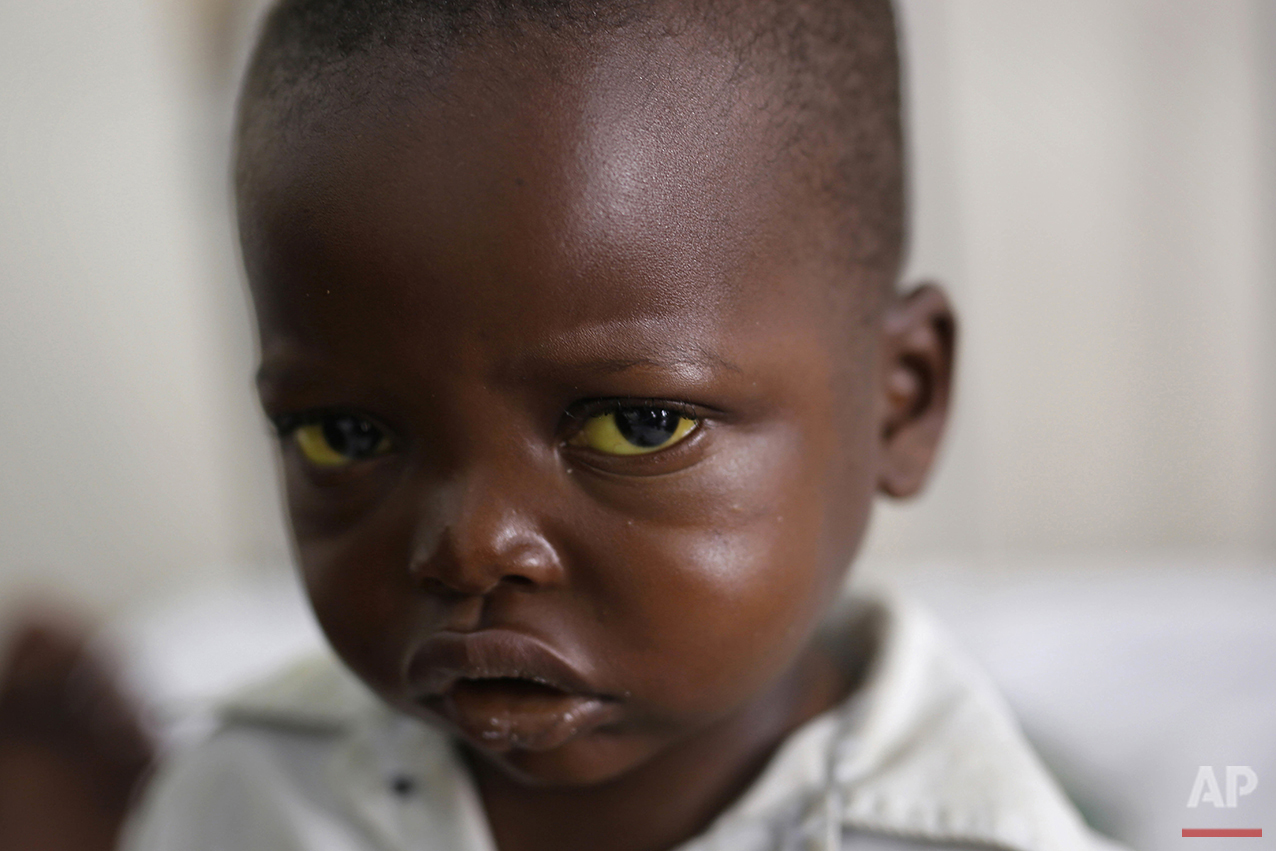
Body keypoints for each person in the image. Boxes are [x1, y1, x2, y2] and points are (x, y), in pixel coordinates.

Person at [3, 1, 1126, 849]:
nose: (469, 542)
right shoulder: (248, 798)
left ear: (902, 401)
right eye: (344, 434)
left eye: (637, 423)